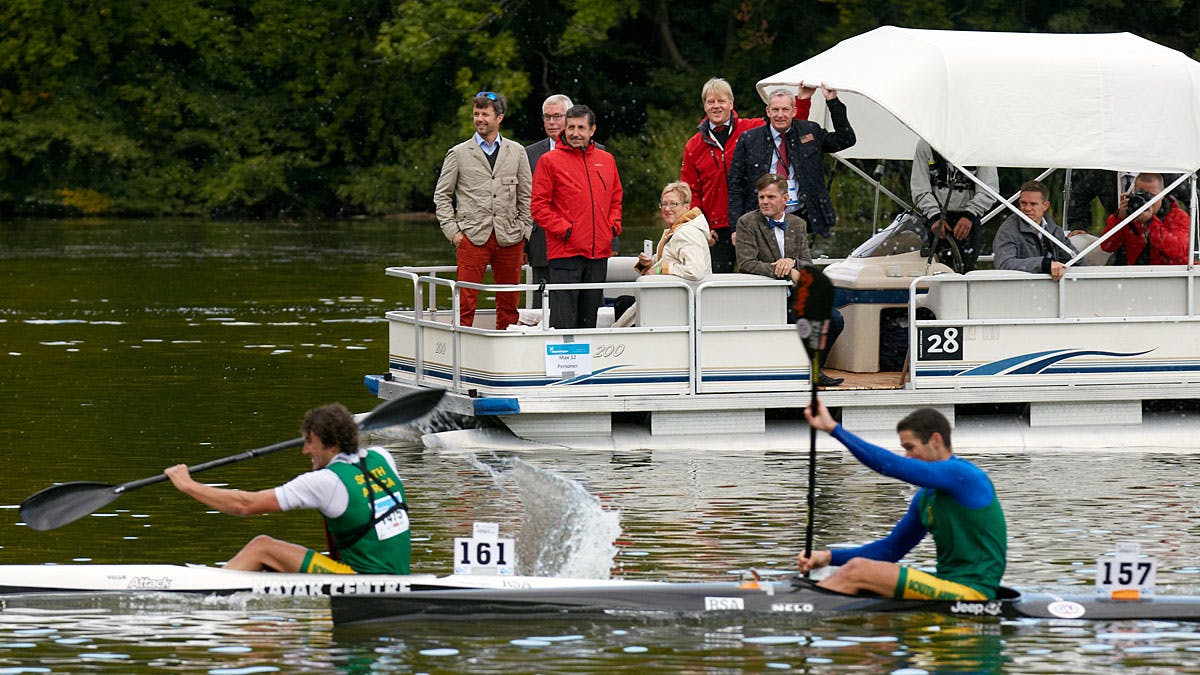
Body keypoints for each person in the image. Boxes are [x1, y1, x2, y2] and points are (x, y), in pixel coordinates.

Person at [164, 404, 411, 575]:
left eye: (310, 443)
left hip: (360, 579)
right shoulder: (382, 457)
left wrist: (189, 486)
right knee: (272, 561)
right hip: (397, 573)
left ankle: (205, 593)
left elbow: (245, 505)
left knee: (262, 547)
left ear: (332, 444)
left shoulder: (326, 481)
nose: (305, 451)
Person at [798, 401, 1007, 601]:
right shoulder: (925, 497)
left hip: (974, 593)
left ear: (936, 441)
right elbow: (890, 550)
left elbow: (889, 464)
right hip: (947, 583)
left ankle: (799, 606)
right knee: (857, 572)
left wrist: (834, 428)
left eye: (910, 447)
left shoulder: (965, 476)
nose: (906, 456)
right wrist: (826, 557)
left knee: (858, 570)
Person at [680, 78, 811, 273]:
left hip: (756, 220)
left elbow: (786, 124)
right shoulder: (694, 145)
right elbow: (691, 193)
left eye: (721, 101)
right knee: (716, 283)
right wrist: (701, 228)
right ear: (704, 105)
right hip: (716, 229)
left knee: (761, 278)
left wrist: (802, 100)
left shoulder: (752, 129)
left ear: (731, 104)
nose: (716, 106)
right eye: (711, 101)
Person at [433, 91, 532, 330]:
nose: (479, 119)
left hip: (510, 237)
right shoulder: (458, 153)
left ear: (499, 117)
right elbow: (442, 195)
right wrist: (454, 233)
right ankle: (462, 347)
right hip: (472, 236)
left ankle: (506, 347)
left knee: (509, 300)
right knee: (466, 300)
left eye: (485, 114)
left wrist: (524, 231)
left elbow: (527, 196)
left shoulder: (517, 151)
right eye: (476, 114)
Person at [736, 173, 844, 387]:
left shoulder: (798, 224)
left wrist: (792, 262)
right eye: (761, 197)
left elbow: (807, 263)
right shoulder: (747, 222)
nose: (764, 202)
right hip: (763, 298)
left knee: (834, 319)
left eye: (770, 197)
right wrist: (784, 269)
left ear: (785, 199)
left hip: (794, 297)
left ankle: (814, 370)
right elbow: (747, 264)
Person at [530, 104, 623, 329]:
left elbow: (616, 199)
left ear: (592, 130)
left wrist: (612, 228)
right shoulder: (549, 161)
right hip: (565, 253)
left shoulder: (607, 159)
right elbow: (539, 206)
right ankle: (565, 363)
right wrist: (566, 230)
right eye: (570, 127)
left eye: (581, 127)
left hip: (598, 253)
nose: (575, 132)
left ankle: (588, 363)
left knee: (588, 319)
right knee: (564, 320)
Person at [727, 86, 855, 238]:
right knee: (767, 262)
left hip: (804, 217)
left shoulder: (809, 131)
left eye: (785, 110)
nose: (780, 115)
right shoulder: (749, 139)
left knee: (799, 261)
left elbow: (846, 139)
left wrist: (832, 102)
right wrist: (736, 227)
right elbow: (735, 185)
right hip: (761, 218)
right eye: (775, 110)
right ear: (768, 111)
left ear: (793, 111)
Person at [910, 140, 998, 272]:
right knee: (935, 271)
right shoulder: (925, 143)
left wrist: (970, 214)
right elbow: (919, 187)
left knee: (966, 271)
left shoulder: (981, 143)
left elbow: (989, 189)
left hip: (968, 221)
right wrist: (934, 215)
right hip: (935, 221)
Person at [526, 93, 573, 306]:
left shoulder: (596, 152)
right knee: (541, 307)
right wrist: (523, 245)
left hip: (581, 243)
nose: (551, 122)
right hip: (540, 243)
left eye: (557, 116)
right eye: (547, 117)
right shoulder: (529, 154)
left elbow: (606, 199)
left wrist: (611, 240)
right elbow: (523, 201)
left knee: (580, 301)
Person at [992, 180, 1080, 281]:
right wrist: (1043, 264)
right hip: (1020, 287)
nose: (1027, 208)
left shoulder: (1053, 228)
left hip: (1048, 286)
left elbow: (1075, 259)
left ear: (1046, 205)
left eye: (1033, 204)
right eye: (1023, 203)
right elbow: (1004, 264)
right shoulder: (1008, 230)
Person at [1099, 172, 1190, 266]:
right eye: (1142, 195)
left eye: (1152, 196)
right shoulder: (1129, 216)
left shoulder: (1178, 216)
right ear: (1133, 193)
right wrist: (1119, 219)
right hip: (1139, 275)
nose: (1147, 201)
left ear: (1163, 194)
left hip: (1173, 276)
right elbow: (1106, 246)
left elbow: (1178, 251)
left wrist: (1151, 222)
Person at [635, 182, 712, 280]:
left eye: (673, 204)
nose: (667, 209)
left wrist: (660, 270)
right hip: (665, 292)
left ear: (687, 207)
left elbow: (695, 271)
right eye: (664, 204)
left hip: (681, 294)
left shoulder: (688, 233)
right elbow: (656, 265)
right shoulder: (673, 232)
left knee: (622, 296)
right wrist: (643, 264)